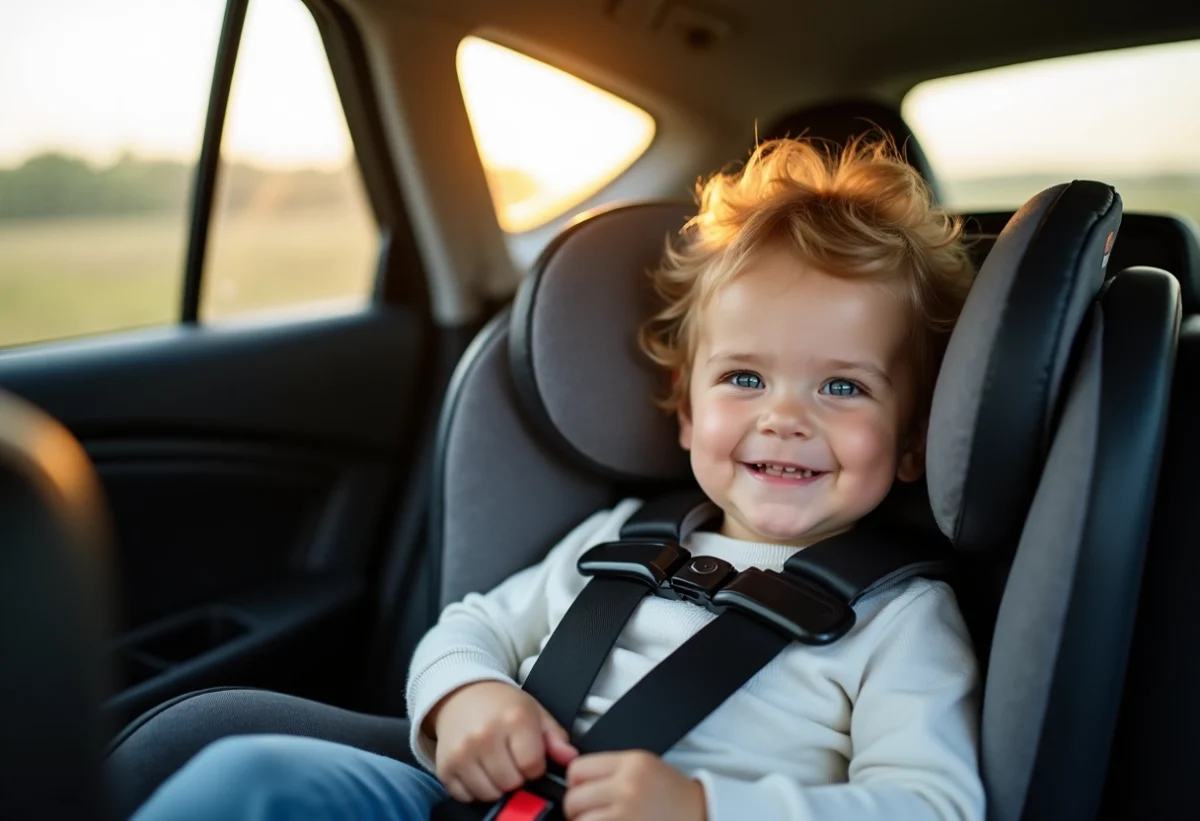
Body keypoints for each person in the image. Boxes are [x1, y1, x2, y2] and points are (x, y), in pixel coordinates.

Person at [132, 136, 981, 821]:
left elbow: (933, 803)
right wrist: (464, 698)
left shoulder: (901, 618)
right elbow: (469, 627)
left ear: (911, 442)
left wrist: (703, 807)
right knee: (252, 775)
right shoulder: (621, 536)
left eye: (842, 386)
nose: (784, 417)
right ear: (685, 412)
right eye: (744, 378)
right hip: (481, 805)